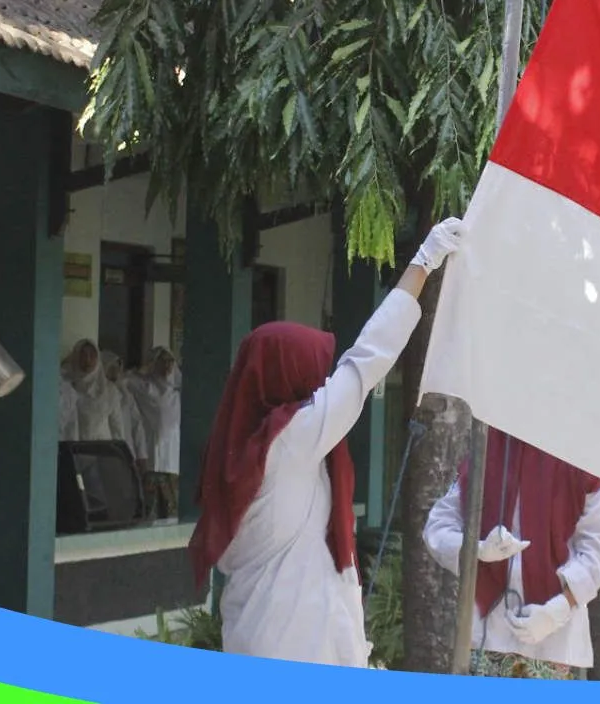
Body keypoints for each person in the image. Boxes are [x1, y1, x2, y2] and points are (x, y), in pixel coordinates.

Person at [186, 216, 465, 666]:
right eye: (313, 373)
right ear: (284, 378)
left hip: (260, 636)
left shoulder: (244, 450)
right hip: (295, 648)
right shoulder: (290, 441)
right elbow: (366, 360)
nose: (322, 385)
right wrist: (423, 263)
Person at [422, 428, 600, 679]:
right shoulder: (487, 452)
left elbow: (599, 550)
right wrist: (476, 548)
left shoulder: (584, 461)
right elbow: (438, 527)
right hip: (487, 632)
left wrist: (559, 608)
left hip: (553, 637)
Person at [125, 347, 181, 519]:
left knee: (172, 511)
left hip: (173, 461)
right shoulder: (146, 387)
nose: (167, 365)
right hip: (152, 458)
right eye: (162, 361)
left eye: (170, 361)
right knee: (151, 510)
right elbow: (123, 380)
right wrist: (144, 367)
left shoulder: (177, 392)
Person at [102, 350, 151, 486]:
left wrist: (141, 456)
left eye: (117, 368)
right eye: (111, 368)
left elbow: (137, 425)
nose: (115, 372)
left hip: (127, 450)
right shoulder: (99, 393)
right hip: (106, 450)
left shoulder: (125, 394)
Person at [64, 339, 125, 443]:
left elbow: (117, 426)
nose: (87, 360)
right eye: (83, 355)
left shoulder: (109, 390)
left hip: (101, 451)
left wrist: (120, 453)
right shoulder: (66, 386)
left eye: (92, 355)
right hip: (72, 450)